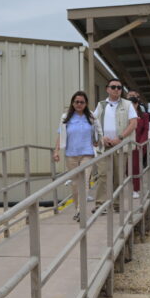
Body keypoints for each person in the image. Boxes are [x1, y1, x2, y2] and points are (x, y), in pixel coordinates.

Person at [52, 91, 101, 220]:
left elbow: (97, 133)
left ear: (86, 104)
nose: (79, 104)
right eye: (76, 102)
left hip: (87, 154)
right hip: (71, 155)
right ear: (72, 103)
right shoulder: (65, 117)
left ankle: (81, 211)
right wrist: (56, 151)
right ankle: (77, 208)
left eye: (82, 102)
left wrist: (97, 141)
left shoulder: (91, 117)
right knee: (75, 184)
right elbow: (60, 135)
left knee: (84, 182)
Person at [92, 79, 137, 210]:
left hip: (120, 146)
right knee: (103, 175)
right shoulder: (101, 105)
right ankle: (100, 205)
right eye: (113, 87)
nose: (116, 89)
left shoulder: (128, 104)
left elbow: (133, 123)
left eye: (119, 87)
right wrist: (101, 137)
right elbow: (93, 123)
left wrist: (120, 138)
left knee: (118, 176)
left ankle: (117, 205)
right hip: (104, 146)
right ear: (107, 89)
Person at [127, 90, 150, 196]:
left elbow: (145, 130)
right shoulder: (125, 115)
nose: (132, 105)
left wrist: (140, 144)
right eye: (130, 103)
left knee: (135, 166)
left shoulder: (144, 115)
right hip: (126, 144)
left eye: (134, 103)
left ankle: (135, 189)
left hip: (138, 145)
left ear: (137, 104)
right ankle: (128, 186)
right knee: (126, 167)